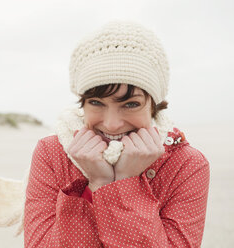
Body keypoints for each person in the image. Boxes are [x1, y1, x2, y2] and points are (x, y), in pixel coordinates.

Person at [23, 21, 210, 247]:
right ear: (82, 102)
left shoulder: (186, 164)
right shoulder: (52, 153)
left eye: (131, 104)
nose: (111, 125)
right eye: (96, 102)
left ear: (153, 104)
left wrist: (123, 184)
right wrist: (97, 181)